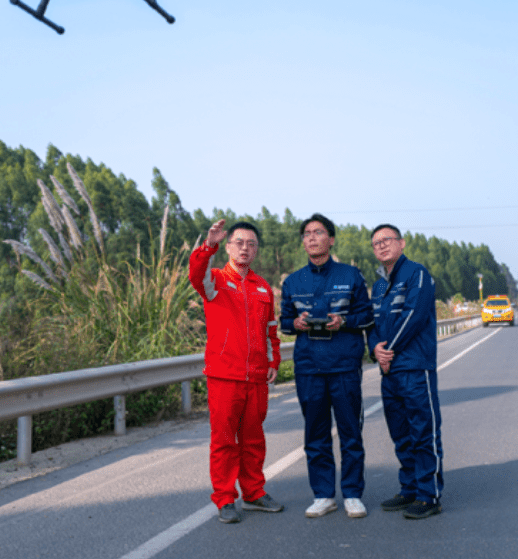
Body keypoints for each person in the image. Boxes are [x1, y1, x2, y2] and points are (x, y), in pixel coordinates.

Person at [189, 218, 285, 524]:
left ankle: (254, 493)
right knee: (224, 440)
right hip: (224, 375)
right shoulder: (215, 280)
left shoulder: (263, 288)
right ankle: (225, 498)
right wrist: (209, 246)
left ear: (256, 250)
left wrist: (272, 362)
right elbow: (196, 274)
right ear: (228, 247)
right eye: (239, 243)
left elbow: (270, 330)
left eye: (251, 244)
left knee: (253, 439)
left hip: (256, 377)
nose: (245, 248)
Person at [280, 213, 375, 519]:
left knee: (350, 432)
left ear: (331, 239)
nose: (312, 237)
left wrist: (344, 321)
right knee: (315, 434)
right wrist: (295, 323)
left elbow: (367, 315)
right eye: (307, 233)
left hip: (344, 365)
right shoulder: (293, 281)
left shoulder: (351, 275)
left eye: (318, 232)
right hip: (309, 367)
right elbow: (284, 321)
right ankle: (323, 495)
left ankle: (352, 494)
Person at [367, 224, 444, 519]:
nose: (382, 245)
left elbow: (414, 316)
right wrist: (375, 349)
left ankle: (428, 495)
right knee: (400, 433)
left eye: (387, 239)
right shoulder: (378, 286)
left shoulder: (416, 274)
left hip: (414, 367)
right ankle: (409, 488)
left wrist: (388, 351)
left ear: (402, 243)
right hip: (389, 372)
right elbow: (372, 325)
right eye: (376, 243)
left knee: (423, 432)